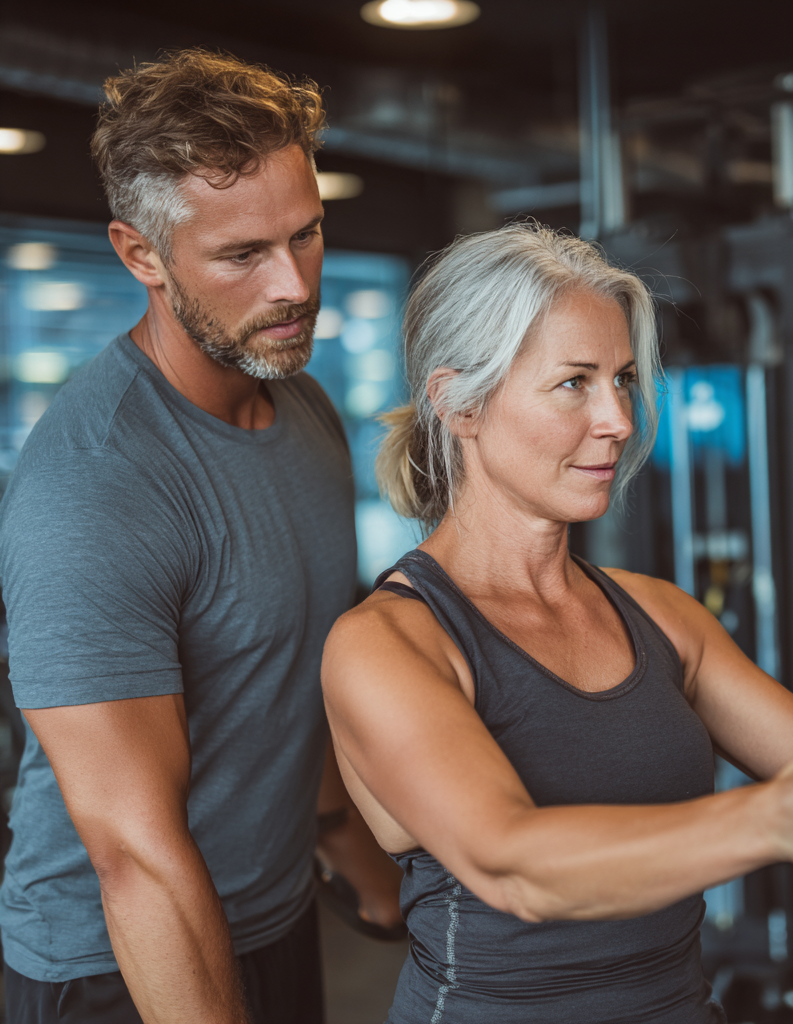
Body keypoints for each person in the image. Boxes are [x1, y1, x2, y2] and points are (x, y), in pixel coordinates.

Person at [322, 223, 793, 1024]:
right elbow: (512, 865)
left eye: (621, 380)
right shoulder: (387, 645)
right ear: (459, 403)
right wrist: (774, 817)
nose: (618, 419)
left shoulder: (659, 615)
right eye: (574, 383)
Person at [0, 50, 401, 1024]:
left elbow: (283, 675)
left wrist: (362, 864)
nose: (293, 284)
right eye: (241, 255)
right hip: (118, 960)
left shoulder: (302, 408)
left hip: (271, 917)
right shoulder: (95, 485)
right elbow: (133, 855)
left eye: (305, 236)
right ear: (141, 255)